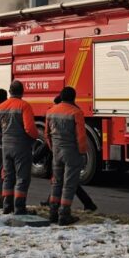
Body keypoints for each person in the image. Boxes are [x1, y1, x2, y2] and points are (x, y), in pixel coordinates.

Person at [0, 80, 39, 215]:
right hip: (21, 146)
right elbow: (30, 128)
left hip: (6, 146)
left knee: (8, 176)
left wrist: (6, 135)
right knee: (22, 177)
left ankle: (7, 205)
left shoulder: (1, 106)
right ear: (22, 92)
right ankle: (19, 207)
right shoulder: (24, 106)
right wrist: (34, 138)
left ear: (10, 91)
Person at [44, 86, 88, 226]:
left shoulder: (50, 111)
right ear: (73, 98)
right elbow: (81, 136)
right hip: (71, 153)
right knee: (69, 184)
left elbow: (47, 134)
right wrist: (82, 152)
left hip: (57, 152)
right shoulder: (76, 112)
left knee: (56, 182)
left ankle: (52, 212)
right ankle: (64, 214)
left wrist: (53, 148)